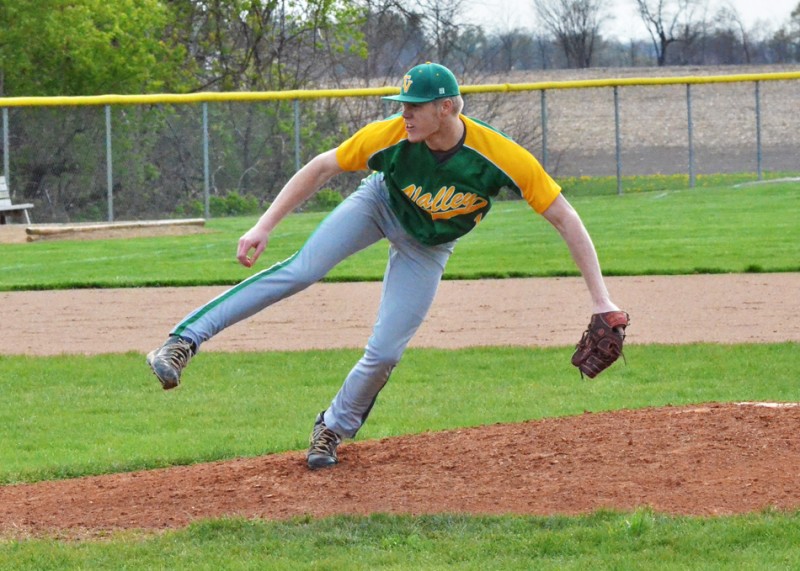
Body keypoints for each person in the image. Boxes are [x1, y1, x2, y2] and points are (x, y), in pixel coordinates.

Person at [147, 62, 622, 470]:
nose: (405, 112)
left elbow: (564, 216)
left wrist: (601, 300)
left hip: (429, 247)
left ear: (448, 107)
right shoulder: (391, 136)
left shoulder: (499, 157)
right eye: (403, 102)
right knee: (302, 270)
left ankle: (331, 429)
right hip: (378, 204)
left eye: (415, 104)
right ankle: (182, 342)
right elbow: (322, 166)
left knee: (387, 350)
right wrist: (263, 226)